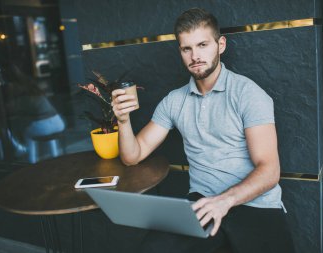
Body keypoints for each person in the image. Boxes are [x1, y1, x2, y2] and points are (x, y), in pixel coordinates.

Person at [111, 7, 295, 253]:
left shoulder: (249, 94)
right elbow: (132, 155)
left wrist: (225, 201)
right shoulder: (175, 101)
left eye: (202, 45)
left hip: (256, 204)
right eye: (187, 48)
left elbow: (269, 170)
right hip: (202, 204)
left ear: (221, 44)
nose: (195, 55)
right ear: (180, 51)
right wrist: (123, 120)